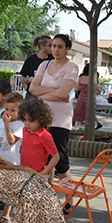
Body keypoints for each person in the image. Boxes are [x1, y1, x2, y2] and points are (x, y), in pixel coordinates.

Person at [28, 34, 78, 186]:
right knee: (43, 157)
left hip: (60, 119)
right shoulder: (44, 65)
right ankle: (47, 193)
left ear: (67, 49)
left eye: (60, 47)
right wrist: (54, 94)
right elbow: (32, 88)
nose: (56, 49)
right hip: (42, 117)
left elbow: (62, 93)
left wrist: (42, 94)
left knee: (60, 158)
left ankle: (69, 198)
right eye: (54, 46)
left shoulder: (71, 67)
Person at [0, 92, 25, 223]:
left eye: (13, 110)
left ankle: (6, 215)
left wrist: (7, 124)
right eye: (7, 109)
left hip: (11, 163)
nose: (9, 113)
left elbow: (11, 140)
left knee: (9, 190)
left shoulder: (21, 126)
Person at [19, 35, 53, 99]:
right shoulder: (30, 60)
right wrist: (30, 79)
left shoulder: (53, 60)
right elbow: (22, 79)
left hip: (47, 95)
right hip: (32, 96)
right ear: (42, 47)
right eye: (50, 45)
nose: (53, 48)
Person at [73, 63, 103, 130]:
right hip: (90, 98)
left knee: (79, 114)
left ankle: (79, 129)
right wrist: (99, 90)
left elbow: (76, 89)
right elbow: (99, 90)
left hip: (81, 98)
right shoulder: (93, 78)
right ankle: (97, 123)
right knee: (90, 112)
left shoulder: (81, 78)